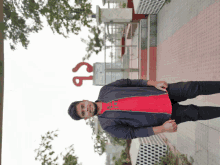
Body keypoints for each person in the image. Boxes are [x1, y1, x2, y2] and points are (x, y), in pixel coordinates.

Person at [68, 78, 220, 139]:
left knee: (193, 87)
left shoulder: (106, 90)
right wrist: (163, 128)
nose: (86, 109)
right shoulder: (107, 126)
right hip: (165, 116)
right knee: (196, 112)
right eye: (83, 113)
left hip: (161, 92)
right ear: (86, 118)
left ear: (84, 100)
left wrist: (153, 83)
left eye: (82, 106)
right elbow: (133, 133)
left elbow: (129, 82)